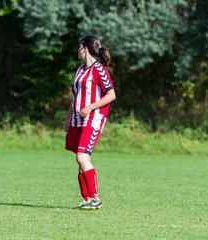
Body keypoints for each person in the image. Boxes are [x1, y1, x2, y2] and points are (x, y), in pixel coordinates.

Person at [64, 35, 116, 210]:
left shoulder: (99, 70)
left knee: (82, 157)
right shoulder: (79, 70)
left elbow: (111, 95)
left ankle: (95, 198)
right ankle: (86, 200)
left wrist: (91, 107)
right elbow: (75, 97)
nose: (77, 50)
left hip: (93, 120)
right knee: (80, 160)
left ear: (85, 48)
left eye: (79, 47)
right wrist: (68, 118)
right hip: (77, 121)